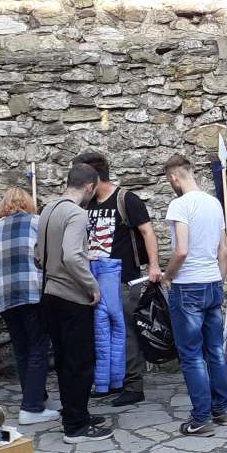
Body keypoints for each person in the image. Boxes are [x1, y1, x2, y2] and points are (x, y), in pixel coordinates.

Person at [77, 152, 162, 407]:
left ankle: (133, 385)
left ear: (93, 177)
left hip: (124, 279)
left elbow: (147, 232)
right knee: (100, 334)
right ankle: (110, 383)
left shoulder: (126, 199)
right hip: (94, 279)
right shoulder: (87, 204)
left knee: (126, 332)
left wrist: (154, 265)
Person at [35, 163, 112, 443]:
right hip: (71, 296)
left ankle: (75, 414)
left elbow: (38, 255)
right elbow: (70, 255)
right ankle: (77, 426)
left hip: (49, 293)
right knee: (80, 362)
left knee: (65, 361)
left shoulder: (48, 209)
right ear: (90, 186)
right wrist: (92, 285)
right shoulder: (77, 214)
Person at [161, 154, 227, 436]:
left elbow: (181, 250)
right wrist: (219, 280)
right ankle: (221, 408)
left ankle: (201, 418)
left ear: (174, 178)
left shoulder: (180, 205)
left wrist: (167, 276)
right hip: (212, 281)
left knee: (191, 355)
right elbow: (223, 250)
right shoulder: (214, 203)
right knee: (215, 350)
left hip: (188, 285)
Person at [0, 187, 57, 425]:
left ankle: (36, 397)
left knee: (22, 350)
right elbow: (47, 256)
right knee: (38, 348)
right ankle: (31, 407)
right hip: (32, 291)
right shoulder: (37, 222)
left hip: (4, 295)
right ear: (29, 203)